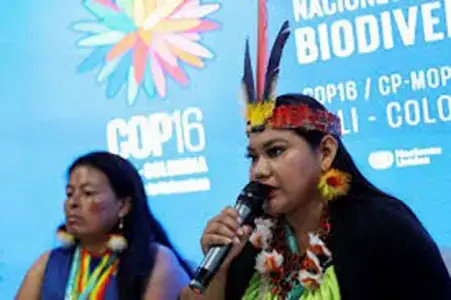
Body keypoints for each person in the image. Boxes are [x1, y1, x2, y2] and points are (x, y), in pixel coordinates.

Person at [180, 1, 451, 299]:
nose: (259, 170)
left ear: (325, 152)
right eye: (253, 156)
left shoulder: (382, 227)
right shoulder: (251, 239)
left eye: (276, 151)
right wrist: (220, 268)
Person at [16, 151, 192, 299]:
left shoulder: (156, 260)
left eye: (88, 193)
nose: (73, 203)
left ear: (123, 206)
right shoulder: (49, 262)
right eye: (69, 193)